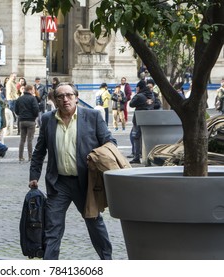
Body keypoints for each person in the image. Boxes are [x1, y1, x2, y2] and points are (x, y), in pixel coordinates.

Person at [29, 82, 115, 260]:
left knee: (94, 223)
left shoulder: (92, 116)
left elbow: (109, 142)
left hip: (85, 182)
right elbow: (39, 151)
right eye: (60, 96)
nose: (65, 99)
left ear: (76, 97)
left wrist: (96, 156)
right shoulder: (47, 119)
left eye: (69, 95)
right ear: (55, 100)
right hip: (58, 183)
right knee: (52, 228)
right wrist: (34, 176)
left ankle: (107, 260)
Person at [129, 80, 154, 164]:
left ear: (139, 87)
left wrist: (136, 95)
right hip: (149, 119)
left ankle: (136, 157)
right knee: (147, 138)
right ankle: (148, 157)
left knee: (136, 137)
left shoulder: (139, 96)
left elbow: (131, 104)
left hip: (138, 119)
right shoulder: (152, 96)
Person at [15, 85, 39, 162]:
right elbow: (36, 109)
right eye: (33, 90)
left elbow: (16, 110)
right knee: (30, 140)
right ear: (30, 90)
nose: (34, 91)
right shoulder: (32, 98)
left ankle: (20, 156)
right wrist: (34, 116)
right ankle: (30, 156)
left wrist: (20, 115)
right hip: (30, 120)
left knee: (22, 139)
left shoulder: (19, 99)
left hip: (21, 120)